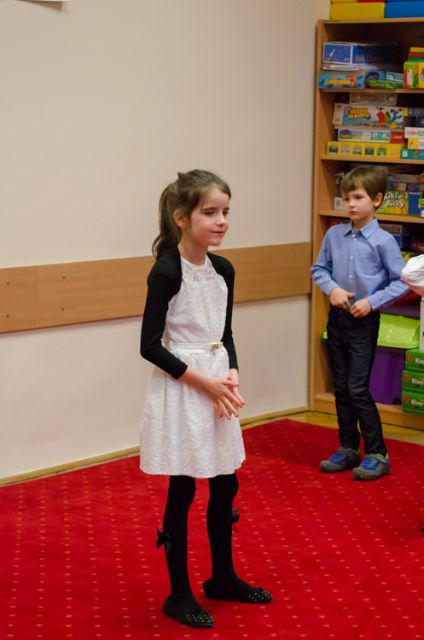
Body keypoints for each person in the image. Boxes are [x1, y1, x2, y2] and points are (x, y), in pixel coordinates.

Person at [139, 169, 272, 629]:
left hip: (217, 383)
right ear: (182, 218)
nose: (221, 221)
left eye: (226, 212)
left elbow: (224, 332)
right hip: (184, 386)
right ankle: (178, 594)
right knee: (183, 487)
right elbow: (149, 346)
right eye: (210, 212)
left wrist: (231, 374)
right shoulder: (167, 270)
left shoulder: (224, 270)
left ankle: (222, 577)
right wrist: (204, 382)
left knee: (226, 483)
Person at [311, 165, 409, 480]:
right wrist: (333, 289)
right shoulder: (334, 235)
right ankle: (348, 447)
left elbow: (402, 281)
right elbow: (319, 269)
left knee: (356, 388)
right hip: (337, 319)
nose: (351, 204)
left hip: (364, 322)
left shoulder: (384, 241)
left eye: (358, 197)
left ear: (376, 200)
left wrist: (371, 302)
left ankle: (378, 452)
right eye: (347, 198)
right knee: (341, 388)